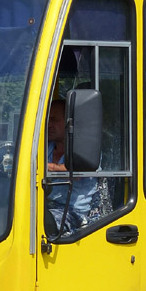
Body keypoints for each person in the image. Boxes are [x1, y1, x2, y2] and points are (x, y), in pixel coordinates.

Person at [45, 95, 97, 233]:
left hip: (73, 212)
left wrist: (46, 167)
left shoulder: (85, 148)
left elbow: (76, 173)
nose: (48, 124)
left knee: (40, 224)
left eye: (54, 120)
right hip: (46, 205)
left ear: (70, 123)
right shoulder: (45, 148)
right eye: (46, 120)